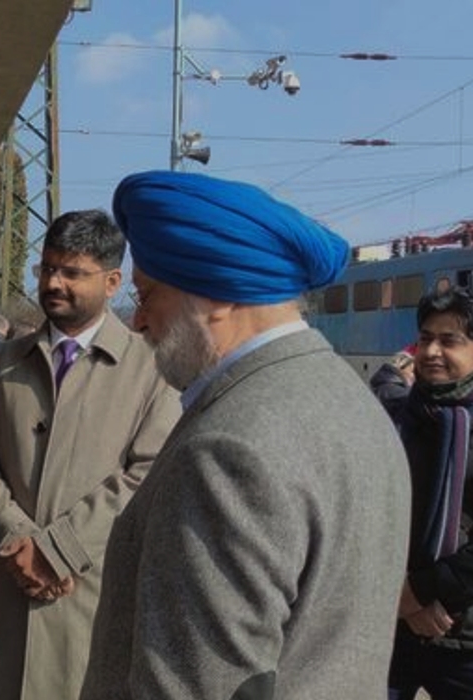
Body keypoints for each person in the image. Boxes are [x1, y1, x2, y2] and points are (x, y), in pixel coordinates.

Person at [79, 171, 411, 700]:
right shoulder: (356, 406)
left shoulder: (228, 448)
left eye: (147, 295)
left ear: (219, 295)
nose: (138, 321)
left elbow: (193, 686)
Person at [0, 209, 181, 700]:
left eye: (72, 273)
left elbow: (147, 474)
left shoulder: (150, 368)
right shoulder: (5, 360)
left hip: (89, 597)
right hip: (11, 588)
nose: (54, 282)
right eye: (46, 268)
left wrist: (59, 551)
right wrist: (20, 539)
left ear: (112, 281)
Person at [388, 287, 473, 699]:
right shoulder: (399, 417)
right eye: (425, 338)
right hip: (391, 630)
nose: (432, 351)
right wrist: (398, 599)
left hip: (462, 641)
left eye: (450, 340)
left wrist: (417, 594)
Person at [370, 349, 415, 414]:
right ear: (400, 368)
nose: (415, 376)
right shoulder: (393, 390)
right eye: (412, 371)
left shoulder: (384, 385)